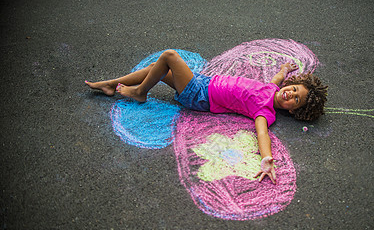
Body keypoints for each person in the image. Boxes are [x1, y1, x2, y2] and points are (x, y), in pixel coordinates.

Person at [85, 49, 328, 184]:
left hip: (199, 95)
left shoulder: (265, 112)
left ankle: (139, 92)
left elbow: (262, 133)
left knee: (169, 57)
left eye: (296, 99)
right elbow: (276, 81)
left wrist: (267, 160)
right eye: (294, 89)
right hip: (203, 83)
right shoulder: (273, 89)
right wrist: (284, 70)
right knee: (155, 70)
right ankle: (110, 84)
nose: (290, 94)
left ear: (295, 110)